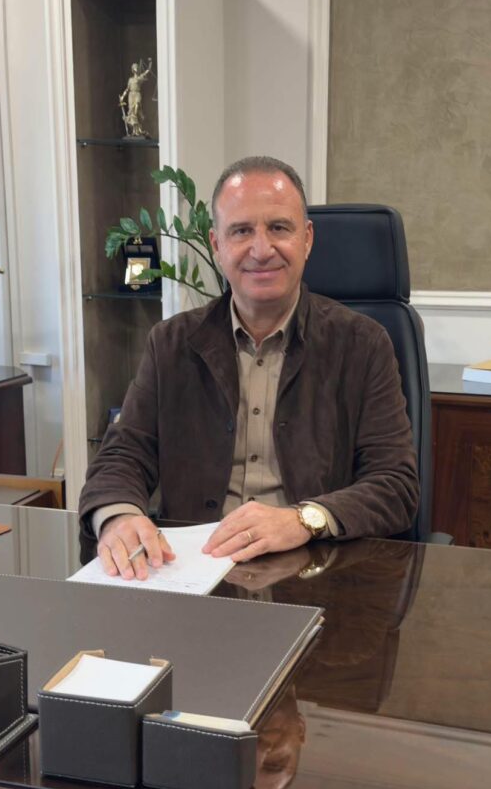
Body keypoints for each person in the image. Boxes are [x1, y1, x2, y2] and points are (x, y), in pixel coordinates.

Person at [79, 156, 419, 579]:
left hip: (315, 573)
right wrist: (119, 518)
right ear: (216, 244)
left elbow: (395, 485)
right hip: (191, 573)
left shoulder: (362, 344)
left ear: (307, 239)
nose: (261, 250)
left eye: (279, 228)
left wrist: (303, 519)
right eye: (241, 231)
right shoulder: (170, 344)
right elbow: (122, 455)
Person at [119, 58, 152, 137]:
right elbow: (127, 89)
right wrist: (123, 96)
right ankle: (136, 131)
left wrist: (150, 63)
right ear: (132, 70)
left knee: (136, 107)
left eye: (137, 67)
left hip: (137, 94)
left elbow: (148, 70)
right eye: (134, 67)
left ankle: (138, 130)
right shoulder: (130, 80)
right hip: (131, 95)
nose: (136, 68)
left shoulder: (140, 78)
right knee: (132, 112)